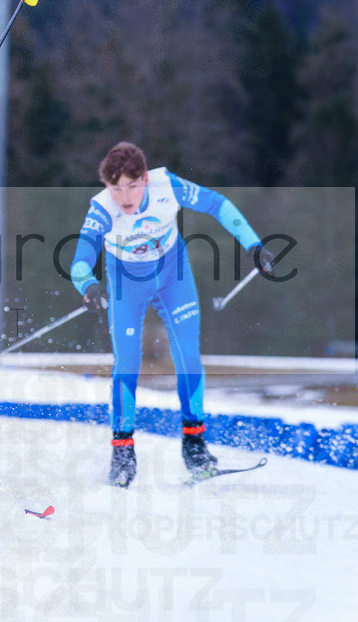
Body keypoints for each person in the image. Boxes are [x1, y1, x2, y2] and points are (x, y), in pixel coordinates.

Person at [69, 142, 276, 487]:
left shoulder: (167, 185)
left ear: (145, 180)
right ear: (106, 186)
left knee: (188, 355)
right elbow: (81, 256)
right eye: (115, 187)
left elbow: (218, 204)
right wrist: (88, 285)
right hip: (126, 282)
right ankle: (122, 452)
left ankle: (194, 446)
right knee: (127, 363)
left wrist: (253, 245)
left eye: (132, 186)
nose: (125, 196)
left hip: (172, 274)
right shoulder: (102, 209)